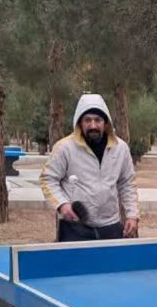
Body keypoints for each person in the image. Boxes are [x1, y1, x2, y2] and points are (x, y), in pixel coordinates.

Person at [40, 93, 139, 242]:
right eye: (87, 120)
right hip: (75, 227)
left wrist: (132, 215)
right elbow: (48, 179)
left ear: (106, 123)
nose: (93, 125)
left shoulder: (121, 148)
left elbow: (127, 183)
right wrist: (62, 205)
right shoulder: (64, 148)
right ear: (80, 122)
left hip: (110, 225)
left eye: (97, 120)